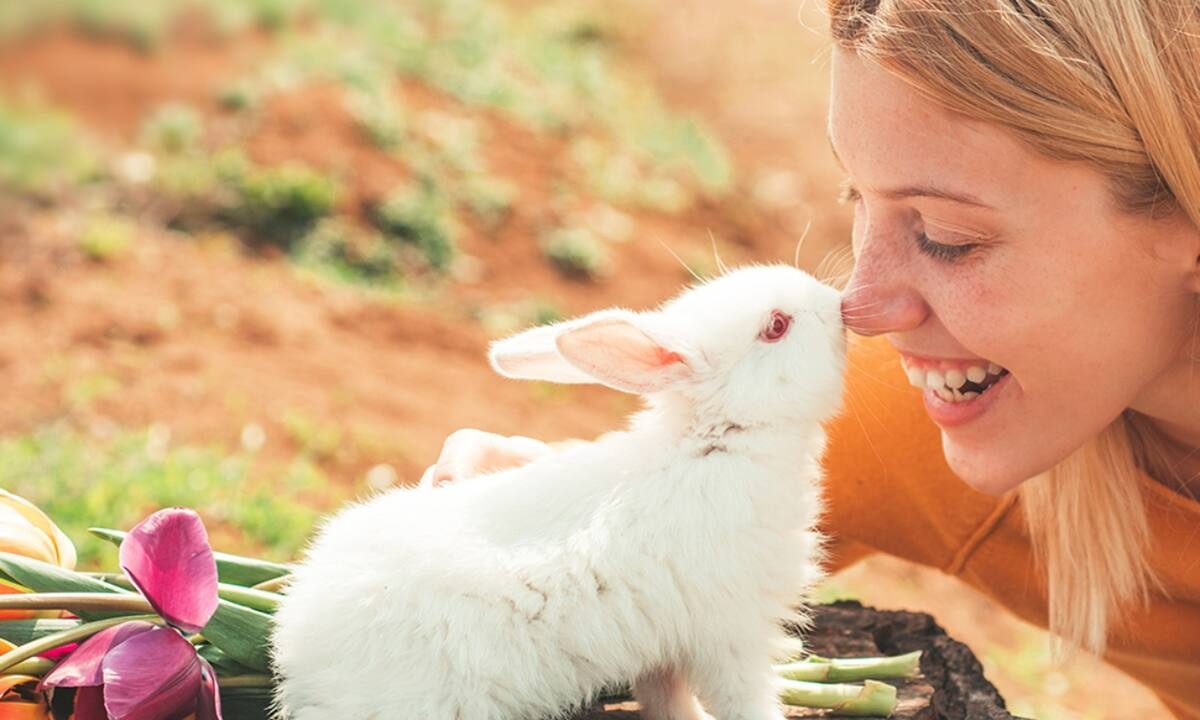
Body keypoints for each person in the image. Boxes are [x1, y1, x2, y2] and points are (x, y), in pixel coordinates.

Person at [422, 1, 1200, 717]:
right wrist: (538, 500)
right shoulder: (924, 415)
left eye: (949, 237)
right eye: (854, 198)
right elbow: (678, 535)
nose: (863, 306)